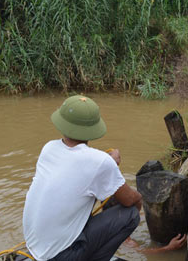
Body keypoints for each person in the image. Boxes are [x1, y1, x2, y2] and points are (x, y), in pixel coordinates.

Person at [23, 95, 143, 261]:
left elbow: (80, 164)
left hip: (34, 246)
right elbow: (130, 200)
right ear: (93, 128)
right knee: (131, 214)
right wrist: (139, 199)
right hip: (61, 256)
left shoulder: (48, 148)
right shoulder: (101, 162)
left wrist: (109, 163)